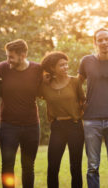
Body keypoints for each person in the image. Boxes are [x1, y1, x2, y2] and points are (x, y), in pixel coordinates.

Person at [0, 39, 42, 188]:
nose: (8, 60)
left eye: (11, 57)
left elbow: (49, 82)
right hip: (8, 126)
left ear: (23, 55)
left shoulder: (37, 69)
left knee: (28, 166)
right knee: (7, 165)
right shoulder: (3, 68)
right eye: (7, 56)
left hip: (31, 126)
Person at [78, 28, 108, 188]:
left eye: (106, 39)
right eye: (100, 40)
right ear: (95, 43)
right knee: (92, 166)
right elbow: (77, 83)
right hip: (91, 120)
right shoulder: (86, 61)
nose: (104, 42)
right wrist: (82, 101)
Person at [40, 51, 85, 188]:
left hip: (75, 126)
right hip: (57, 127)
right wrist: (42, 77)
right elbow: (31, 78)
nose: (66, 67)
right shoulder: (45, 85)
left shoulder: (75, 82)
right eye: (61, 65)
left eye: (66, 64)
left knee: (75, 167)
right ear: (52, 68)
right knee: (53, 166)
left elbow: (83, 101)